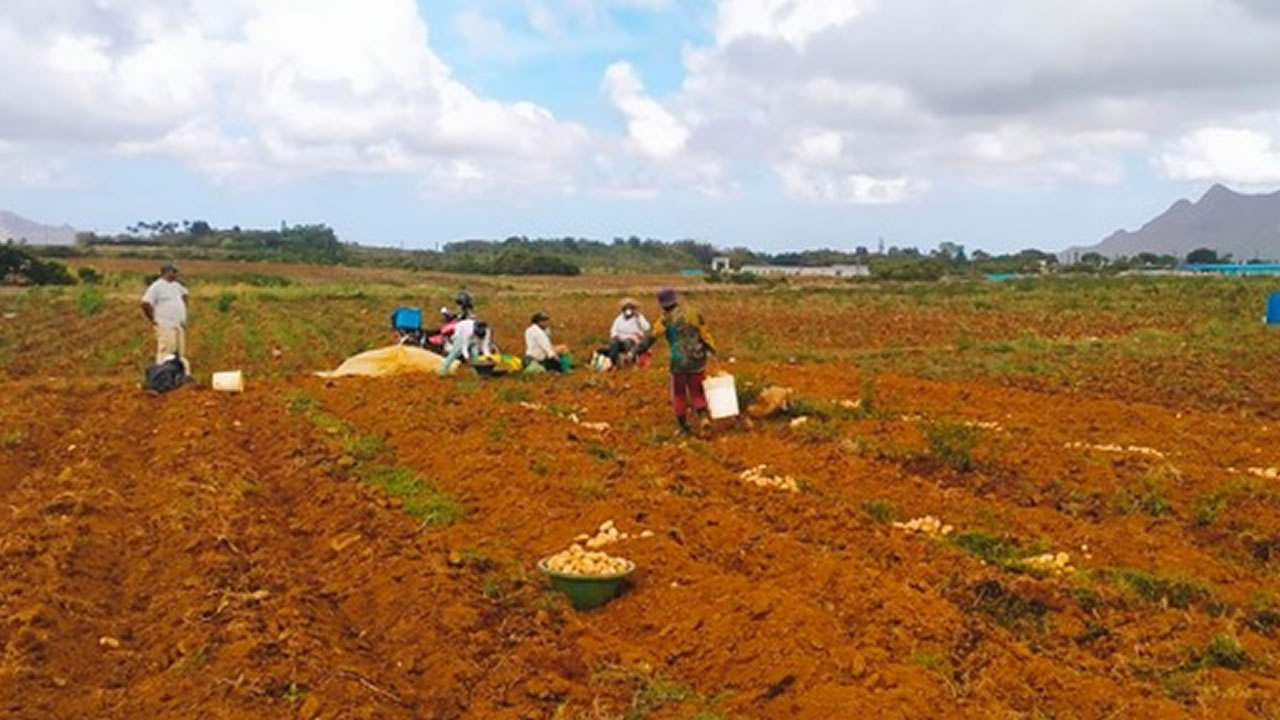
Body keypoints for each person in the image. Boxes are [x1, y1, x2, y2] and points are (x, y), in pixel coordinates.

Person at [640, 287, 717, 434]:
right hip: (697, 358)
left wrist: (638, 350)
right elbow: (705, 334)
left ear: (662, 304)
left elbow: (652, 336)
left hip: (678, 360)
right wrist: (712, 350)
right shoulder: (694, 313)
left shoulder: (666, 319)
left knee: (679, 394)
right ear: (676, 299)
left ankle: (683, 427)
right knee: (697, 392)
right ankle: (703, 418)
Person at [140, 262, 191, 373]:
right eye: (173, 272)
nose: (176, 274)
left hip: (178, 324)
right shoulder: (156, 286)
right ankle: (162, 375)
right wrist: (153, 319)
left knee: (179, 352)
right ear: (165, 273)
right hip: (165, 324)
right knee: (166, 351)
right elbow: (145, 303)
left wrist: (183, 311)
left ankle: (178, 376)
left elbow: (185, 295)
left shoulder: (176, 285)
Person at [607, 297, 651, 367]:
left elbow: (647, 327)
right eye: (626, 308)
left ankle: (631, 363)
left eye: (630, 308)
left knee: (628, 343)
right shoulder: (619, 318)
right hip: (620, 338)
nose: (628, 311)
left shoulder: (638, 317)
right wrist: (615, 336)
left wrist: (638, 317)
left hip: (633, 339)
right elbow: (613, 330)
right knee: (613, 343)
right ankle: (614, 363)